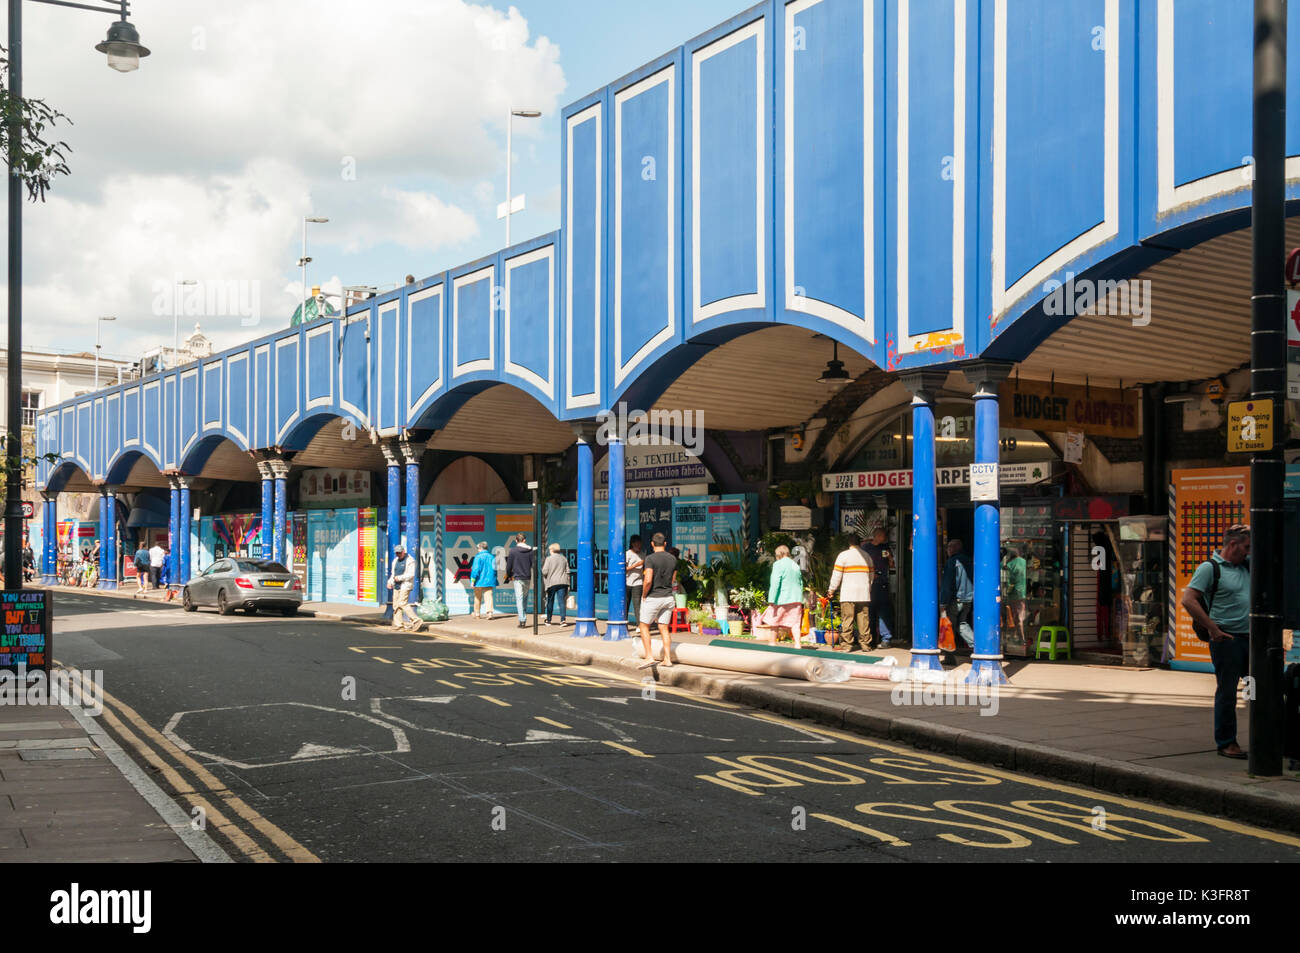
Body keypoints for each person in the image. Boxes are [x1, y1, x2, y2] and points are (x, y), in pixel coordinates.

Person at [1181, 524, 1252, 760]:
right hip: (1228, 640)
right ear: (1232, 544)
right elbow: (1188, 599)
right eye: (1246, 547)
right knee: (1228, 691)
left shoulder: (1247, 566)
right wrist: (1213, 629)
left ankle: (1266, 738)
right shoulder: (1209, 568)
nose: (1248, 552)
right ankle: (1227, 742)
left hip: (1251, 639)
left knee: (1258, 689)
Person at [638, 533, 678, 668]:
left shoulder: (650, 559)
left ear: (652, 544)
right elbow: (673, 580)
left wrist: (644, 594)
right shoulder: (673, 559)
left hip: (654, 597)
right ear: (665, 544)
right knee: (664, 627)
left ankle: (649, 656)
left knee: (644, 626)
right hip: (668, 597)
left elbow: (648, 580)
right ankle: (667, 659)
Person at [827, 535, 874, 651]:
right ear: (860, 543)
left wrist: (831, 590)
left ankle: (847, 646)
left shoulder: (843, 556)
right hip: (864, 594)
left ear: (849, 543)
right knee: (864, 621)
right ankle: (866, 645)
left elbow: (836, 575)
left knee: (847, 620)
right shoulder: (866, 556)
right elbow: (871, 576)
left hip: (848, 594)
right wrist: (868, 588)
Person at [757, 544, 805, 647]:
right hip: (796, 598)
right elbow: (800, 582)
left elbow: (775, 583)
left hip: (781, 598)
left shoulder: (778, 564)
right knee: (795, 623)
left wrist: (771, 599)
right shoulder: (795, 565)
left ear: (779, 554)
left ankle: (773, 642)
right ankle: (798, 644)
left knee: (774, 621)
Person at [860, 526, 897, 647]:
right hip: (869, 583)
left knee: (884, 611)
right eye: (882, 535)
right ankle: (870, 639)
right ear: (876, 535)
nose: (884, 538)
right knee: (870, 611)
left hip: (882, 583)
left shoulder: (884, 548)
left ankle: (886, 638)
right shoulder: (866, 548)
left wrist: (890, 559)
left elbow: (891, 565)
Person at [940, 538, 975, 665]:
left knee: (949, 627)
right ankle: (977, 646)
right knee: (962, 624)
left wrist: (943, 603)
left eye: (949, 547)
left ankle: (949, 657)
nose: (947, 549)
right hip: (967, 599)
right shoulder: (969, 561)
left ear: (955, 549)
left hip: (955, 600)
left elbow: (947, 584)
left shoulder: (952, 562)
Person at [387, 541, 424, 632]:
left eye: (400, 552)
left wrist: (399, 578)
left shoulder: (410, 561)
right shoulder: (395, 561)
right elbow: (393, 574)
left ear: (404, 551)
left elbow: (411, 575)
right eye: (397, 553)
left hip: (405, 585)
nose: (398, 554)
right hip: (396, 585)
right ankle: (399, 625)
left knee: (402, 603)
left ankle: (416, 620)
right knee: (396, 605)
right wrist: (390, 582)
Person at [505, 533, 535, 628]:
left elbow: (509, 565)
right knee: (524, 598)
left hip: (517, 577)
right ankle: (523, 618)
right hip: (527, 577)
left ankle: (522, 620)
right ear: (524, 540)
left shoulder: (513, 551)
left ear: (516, 540)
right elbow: (532, 564)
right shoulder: (530, 551)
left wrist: (508, 575)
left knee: (519, 599)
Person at [1003, 545, 1027, 645]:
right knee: (1019, 617)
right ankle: (1019, 637)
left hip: (1013, 594)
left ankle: (1017, 637)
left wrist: (1007, 592)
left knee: (1012, 617)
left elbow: (1010, 581)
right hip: (1022, 593)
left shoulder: (1010, 564)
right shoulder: (1023, 561)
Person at [542, 543, 571, 626]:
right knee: (562, 601)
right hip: (563, 582)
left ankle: (548, 620)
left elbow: (545, 571)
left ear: (552, 550)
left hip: (552, 583)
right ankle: (563, 620)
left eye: (549, 550)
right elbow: (568, 571)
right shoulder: (564, 558)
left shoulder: (549, 559)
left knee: (550, 601)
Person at [469, 541, 496, 620]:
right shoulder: (492, 557)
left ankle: (477, 614)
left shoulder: (478, 557)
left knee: (477, 597)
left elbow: (475, 570)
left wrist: (473, 580)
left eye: (478, 548)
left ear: (480, 548)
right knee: (489, 596)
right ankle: (490, 613)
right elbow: (495, 570)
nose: (477, 550)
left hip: (479, 581)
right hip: (489, 581)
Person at [625, 535, 645, 628]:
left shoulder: (643, 553)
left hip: (638, 582)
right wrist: (636, 565)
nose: (638, 545)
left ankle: (639, 625)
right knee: (626, 603)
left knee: (637, 605)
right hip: (627, 582)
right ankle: (623, 622)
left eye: (640, 543)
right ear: (632, 544)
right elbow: (624, 569)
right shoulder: (628, 554)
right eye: (636, 543)